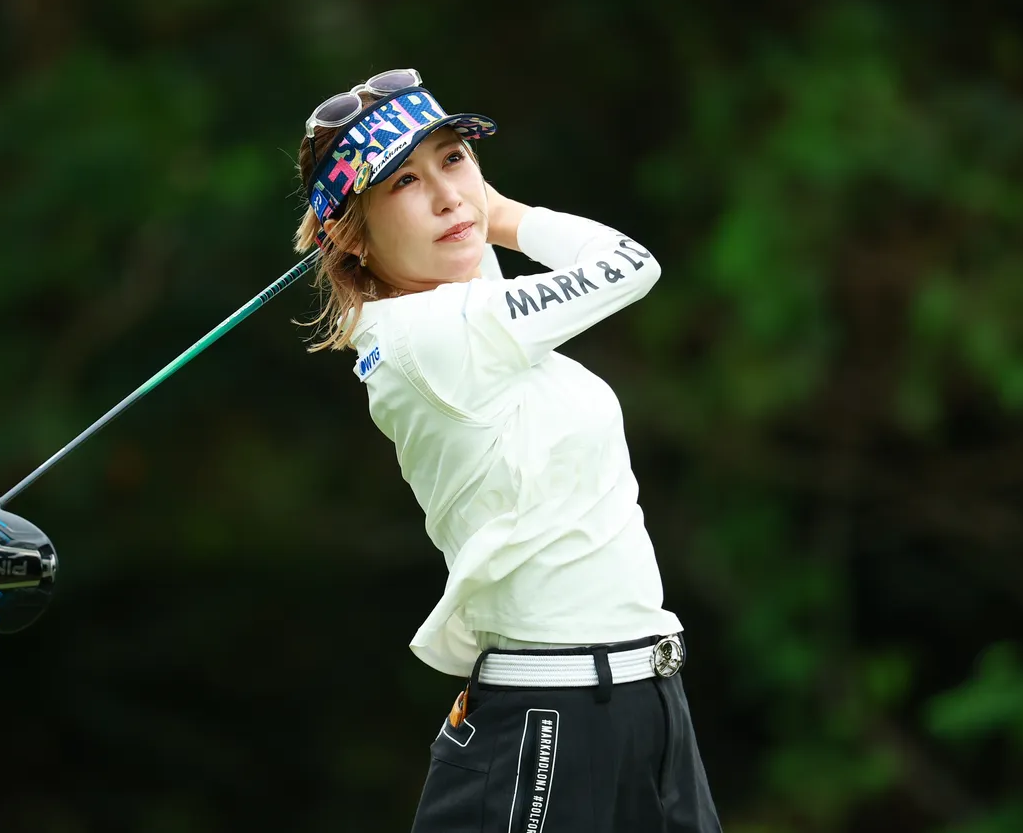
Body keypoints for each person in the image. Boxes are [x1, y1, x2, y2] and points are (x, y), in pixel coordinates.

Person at [292, 68, 722, 833]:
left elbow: (481, 261)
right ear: (352, 236)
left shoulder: (465, 308)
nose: (446, 195)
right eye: (404, 182)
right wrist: (499, 213)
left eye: (454, 158)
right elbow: (630, 264)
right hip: (552, 718)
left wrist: (472, 211)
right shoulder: (429, 335)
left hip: (650, 703)